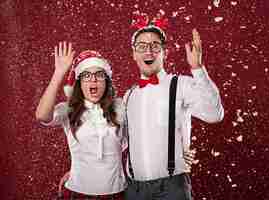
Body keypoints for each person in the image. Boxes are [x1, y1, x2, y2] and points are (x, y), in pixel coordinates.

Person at [123, 17, 224, 200]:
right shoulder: (129, 96)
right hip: (134, 190)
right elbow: (119, 141)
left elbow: (214, 114)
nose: (149, 51)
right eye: (142, 46)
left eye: (155, 45)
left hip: (172, 188)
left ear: (165, 52)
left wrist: (198, 68)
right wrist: (82, 171)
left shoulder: (181, 84)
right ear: (134, 54)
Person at [35, 42, 126, 199]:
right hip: (78, 193)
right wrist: (58, 73)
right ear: (79, 83)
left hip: (117, 193)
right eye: (86, 76)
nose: (93, 80)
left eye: (99, 75)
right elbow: (42, 115)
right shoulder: (69, 110)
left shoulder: (121, 107)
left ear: (106, 81)